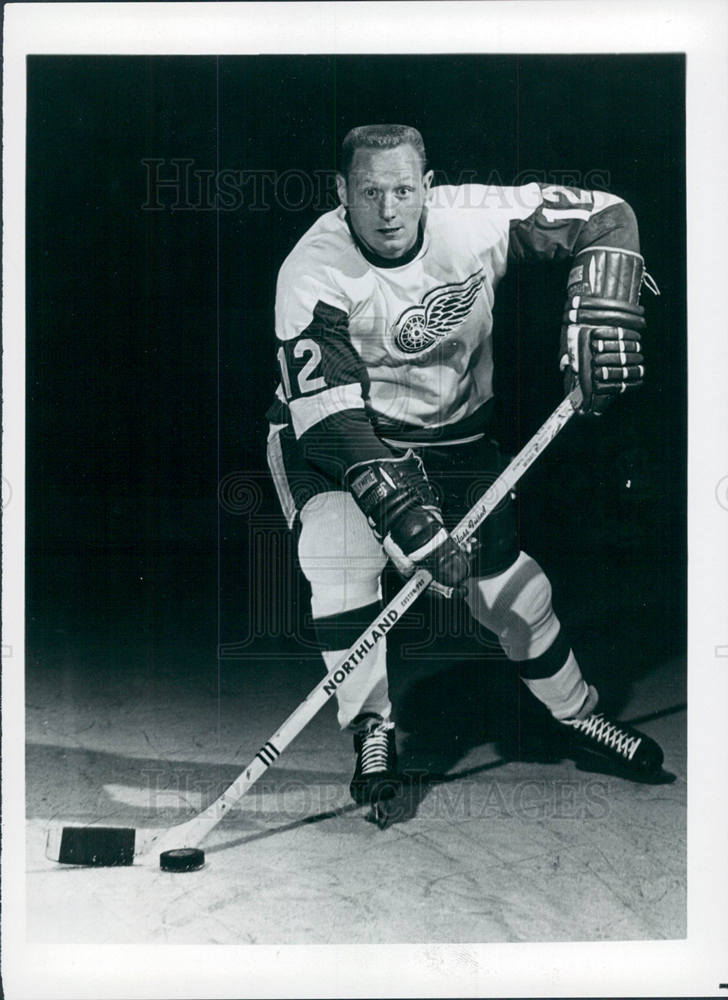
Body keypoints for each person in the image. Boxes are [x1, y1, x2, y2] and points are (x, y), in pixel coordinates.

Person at [266, 123, 663, 814]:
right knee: (338, 552)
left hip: (453, 434)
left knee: (512, 591)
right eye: (368, 192)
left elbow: (608, 212)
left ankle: (575, 713)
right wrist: (412, 526)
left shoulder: (474, 219)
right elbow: (334, 427)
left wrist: (607, 291)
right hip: (338, 436)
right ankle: (371, 729)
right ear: (341, 193)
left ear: (427, 186)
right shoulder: (311, 271)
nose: (388, 211)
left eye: (401, 190)